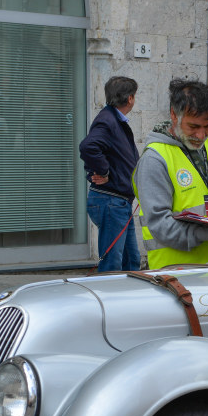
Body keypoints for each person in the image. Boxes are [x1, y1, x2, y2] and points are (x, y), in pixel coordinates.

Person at [133, 78, 208, 269]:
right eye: (194, 127)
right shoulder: (155, 159)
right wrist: (207, 234)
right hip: (176, 275)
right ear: (174, 114)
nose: (201, 135)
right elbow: (159, 225)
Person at [80, 76, 140, 272]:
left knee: (131, 261)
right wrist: (103, 171)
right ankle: (106, 292)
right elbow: (88, 147)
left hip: (118, 202)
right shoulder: (107, 120)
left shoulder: (114, 119)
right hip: (111, 201)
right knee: (112, 264)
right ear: (130, 98)